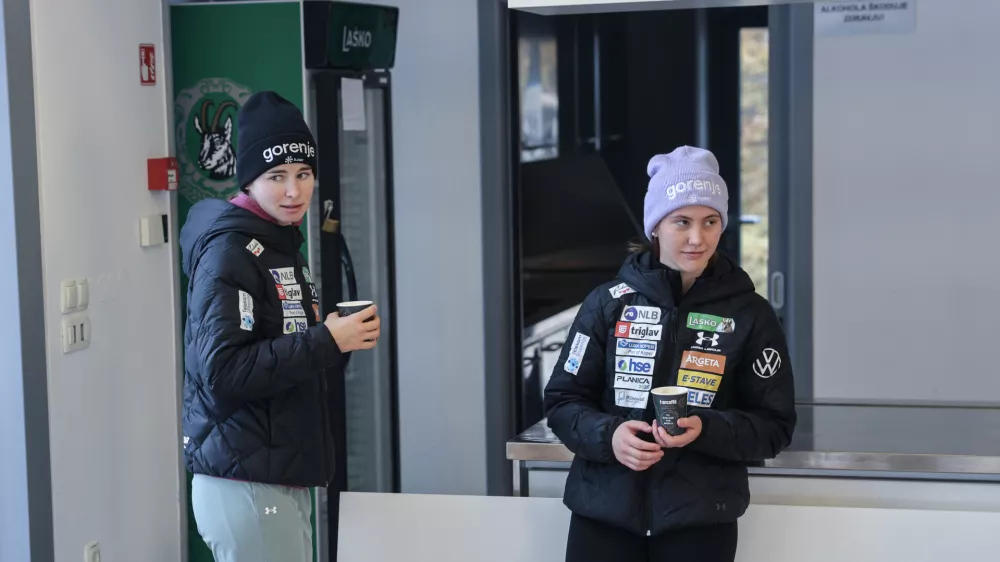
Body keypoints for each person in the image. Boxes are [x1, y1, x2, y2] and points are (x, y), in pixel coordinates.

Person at [544, 146, 796, 562]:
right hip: (603, 521)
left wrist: (706, 428)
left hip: (698, 527)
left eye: (710, 221)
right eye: (682, 221)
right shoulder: (607, 304)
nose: (698, 238)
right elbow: (562, 402)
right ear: (656, 225)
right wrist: (611, 437)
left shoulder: (751, 315)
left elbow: (774, 426)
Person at [179, 91, 380, 562]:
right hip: (245, 482)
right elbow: (225, 371)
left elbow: (280, 352)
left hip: (272, 473)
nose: (295, 191)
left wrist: (333, 340)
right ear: (249, 180)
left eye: (304, 174)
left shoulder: (278, 242)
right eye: (277, 177)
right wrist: (326, 339)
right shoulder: (230, 251)